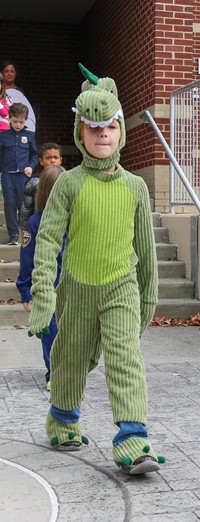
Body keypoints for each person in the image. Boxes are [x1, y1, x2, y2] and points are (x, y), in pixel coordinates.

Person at [28, 64, 165, 475]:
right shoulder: (68, 183)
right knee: (69, 358)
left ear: (120, 130)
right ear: (80, 132)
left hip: (121, 285)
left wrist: (147, 298)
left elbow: (146, 249)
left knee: (126, 358)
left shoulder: (136, 187)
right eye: (93, 127)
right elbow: (48, 241)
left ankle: (132, 438)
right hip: (78, 288)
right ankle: (64, 420)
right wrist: (43, 296)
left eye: (110, 126)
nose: (102, 134)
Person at [16, 165, 65, 390]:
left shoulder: (74, 219)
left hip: (72, 286)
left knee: (71, 333)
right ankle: (53, 373)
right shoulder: (35, 223)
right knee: (50, 332)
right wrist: (25, 290)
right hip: (48, 288)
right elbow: (27, 258)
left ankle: (70, 371)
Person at [0, 102, 38, 245]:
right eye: (15, 121)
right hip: (7, 175)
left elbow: (34, 156)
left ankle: (26, 234)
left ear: (26, 120)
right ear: (9, 119)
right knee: (9, 204)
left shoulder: (30, 135)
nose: (17, 125)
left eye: (21, 122)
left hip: (23, 175)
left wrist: (31, 167)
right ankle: (14, 235)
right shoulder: (3, 136)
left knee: (24, 204)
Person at [19, 143, 63, 231]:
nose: (52, 161)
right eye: (48, 158)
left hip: (61, 223)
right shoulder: (34, 181)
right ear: (41, 161)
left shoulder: (67, 180)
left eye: (55, 157)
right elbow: (27, 206)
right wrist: (23, 227)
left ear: (60, 160)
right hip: (39, 223)